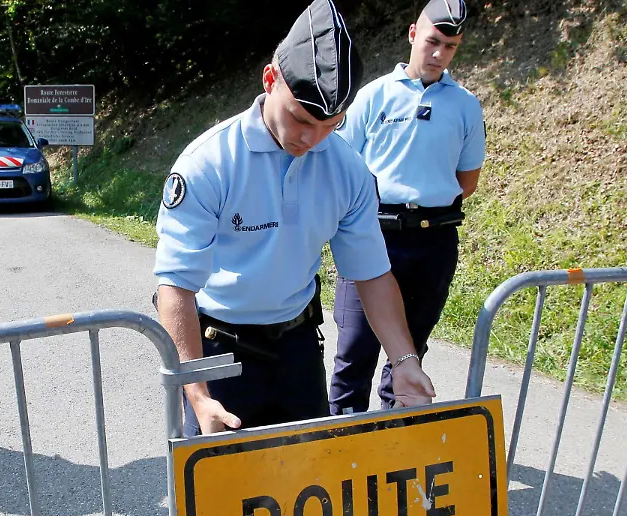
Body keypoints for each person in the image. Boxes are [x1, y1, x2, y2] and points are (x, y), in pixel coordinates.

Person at [154, 0, 436, 437]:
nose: (312, 138)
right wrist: (199, 395)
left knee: (310, 482)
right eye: (300, 119)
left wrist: (404, 360)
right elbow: (175, 289)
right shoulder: (208, 163)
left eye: (331, 125)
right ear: (270, 80)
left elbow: (373, 275)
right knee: (223, 495)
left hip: (298, 348)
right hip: (219, 351)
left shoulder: (347, 169)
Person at [329, 0, 485, 414]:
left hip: (434, 242)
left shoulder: (466, 105)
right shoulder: (373, 96)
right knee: (354, 355)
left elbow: (466, 182)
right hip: (373, 238)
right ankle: (338, 446)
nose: (438, 54)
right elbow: (341, 168)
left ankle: (390, 440)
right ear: (413, 34)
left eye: (449, 46)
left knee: (409, 353)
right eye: (432, 41)